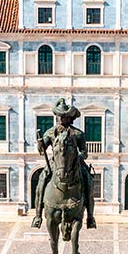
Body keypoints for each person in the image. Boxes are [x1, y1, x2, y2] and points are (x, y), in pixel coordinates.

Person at [32, 99, 97, 230]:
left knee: (88, 182)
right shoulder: (50, 132)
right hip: (55, 164)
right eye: (58, 116)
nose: (60, 118)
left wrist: (75, 158)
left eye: (63, 116)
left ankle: (90, 217)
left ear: (69, 118)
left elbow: (84, 152)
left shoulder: (78, 134)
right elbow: (42, 149)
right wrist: (40, 145)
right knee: (41, 182)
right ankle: (38, 216)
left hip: (75, 163)